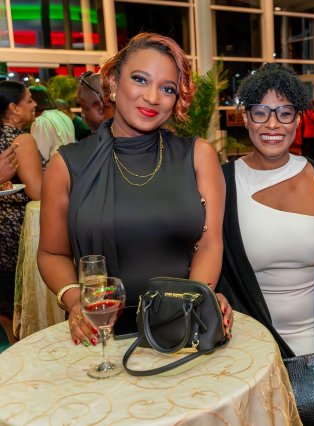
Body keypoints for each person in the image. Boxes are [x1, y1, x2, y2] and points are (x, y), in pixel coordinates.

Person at [37, 32, 233, 347]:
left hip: (180, 325)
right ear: (113, 82)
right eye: (140, 79)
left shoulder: (198, 155)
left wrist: (195, 300)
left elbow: (209, 244)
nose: (153, 97)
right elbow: (52, 253)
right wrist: (75, 301)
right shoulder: (68, 164)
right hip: (100, 330)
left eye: (167, 88)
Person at [216, 63, 314, 379]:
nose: (272, 124)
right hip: (246, 344)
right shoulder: (222, 181)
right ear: (245, 117)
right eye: (261, 113)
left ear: (298, 119)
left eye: (285, 113)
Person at [0, 81, 45, 320]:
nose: (34, 104)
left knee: (6, 308)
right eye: (28, 100)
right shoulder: (22, 140)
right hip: (17, 228)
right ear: (14, 109)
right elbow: (37, 191)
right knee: (22, 304)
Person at [29, 85, 74, 162]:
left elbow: (40, 157)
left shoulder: (41, 121)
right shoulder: (63, 116)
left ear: (35, 102)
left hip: (54, 168)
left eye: (29, 101)